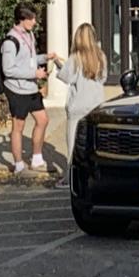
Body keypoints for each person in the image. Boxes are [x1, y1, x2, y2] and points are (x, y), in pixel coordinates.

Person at [46, 23, 108, 188]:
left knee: (73, 145)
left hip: (78, 105)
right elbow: (104, 78)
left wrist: (58, 63)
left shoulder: (76, 58)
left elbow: (67, 77)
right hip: (96, 104)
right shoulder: (101, 56)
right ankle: (96, 176)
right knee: (94, 144)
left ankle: (70, 177)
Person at [0, 4, 49, 174]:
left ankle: (36, 158)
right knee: (18, 127)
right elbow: (8, 69)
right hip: (17, 90)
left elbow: (30, 57)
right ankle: (18, 164)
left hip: (31, 88)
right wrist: (33, 73)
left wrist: (44, 57)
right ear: (22, 19)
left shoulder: (29, 35)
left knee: (43, 120)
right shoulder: (10, 41)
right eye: (32, 19)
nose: (35, 22)